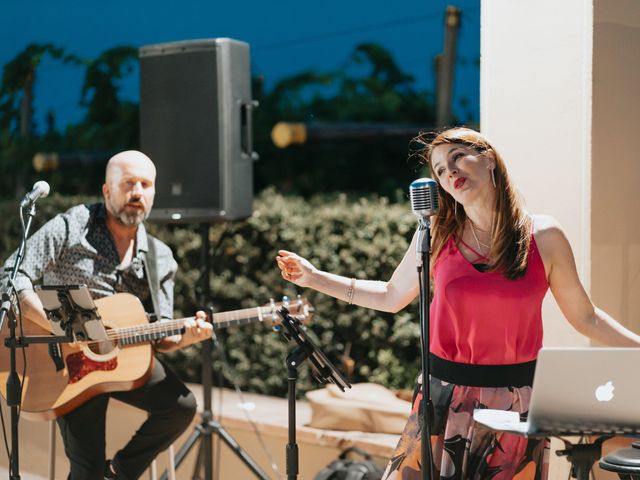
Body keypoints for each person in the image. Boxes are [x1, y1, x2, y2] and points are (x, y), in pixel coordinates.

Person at [276, 127, 640, 480]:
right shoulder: (436, 233)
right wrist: (314, 277)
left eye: (457, 157)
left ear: (490, 160)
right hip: (442, 395)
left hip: (516, 402)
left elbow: (586, 317)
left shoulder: (544, 236)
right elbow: (391, 296)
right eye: (438, 169)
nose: (448, 171)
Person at [0, 151, 213, 479]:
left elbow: (161, 334)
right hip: (67, 360)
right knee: (87, 472)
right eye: (129, 183)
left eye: (146, 184)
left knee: (181, 407)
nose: (137, 192)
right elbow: (14, 275)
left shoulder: (160, 256)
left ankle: (119, 473)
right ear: (106, 190)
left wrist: (188, 336)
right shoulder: (73, 225)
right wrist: (57, 325)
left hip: (124, 360)